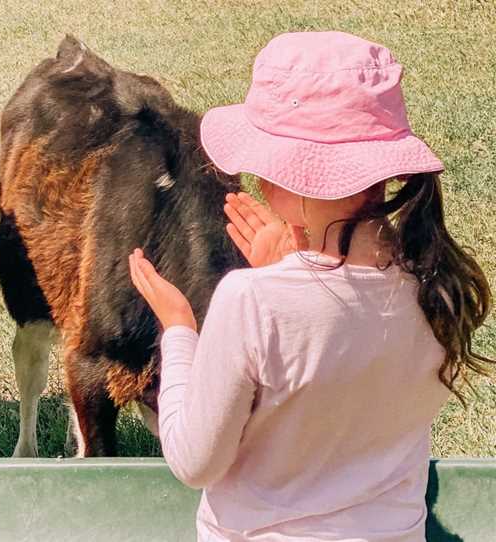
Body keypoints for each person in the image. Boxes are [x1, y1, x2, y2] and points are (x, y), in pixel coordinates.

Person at [129, 31, 493, 541]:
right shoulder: (441, 284)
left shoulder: (251, 301)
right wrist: (292, 267)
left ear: (291, 175)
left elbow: (195, 463)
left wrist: (179, 330)